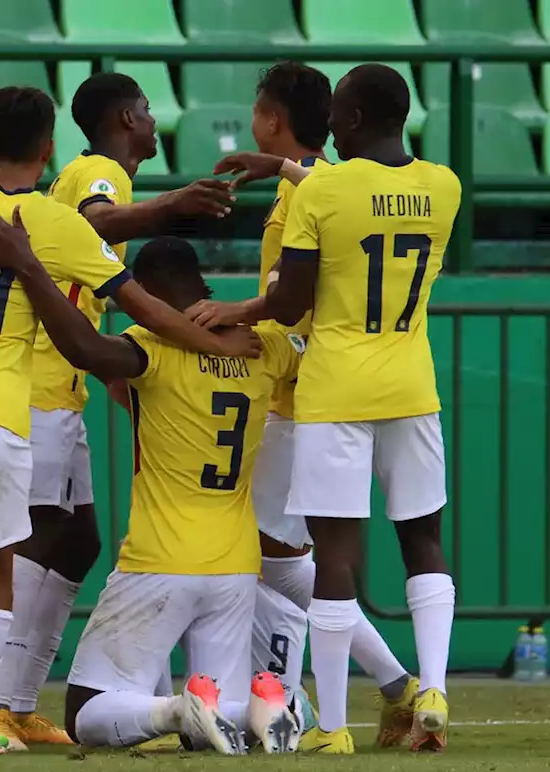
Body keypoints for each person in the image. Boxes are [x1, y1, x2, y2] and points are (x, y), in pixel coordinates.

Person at [0, 86, 261, 756]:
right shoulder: (59, 222)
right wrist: (217, 338)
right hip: (3, 408)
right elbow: (143, 305)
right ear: (48, 149)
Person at [189, 63, 460, 755]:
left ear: (357, 120)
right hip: (411, 384)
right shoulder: (444, 186)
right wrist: (283, 164)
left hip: (334, 388)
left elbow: (288, 301)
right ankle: (430, 687)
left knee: (333, 554)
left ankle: (333, 727)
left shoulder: (325, 193)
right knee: (423, 539)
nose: (330, 124)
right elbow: (367, 197)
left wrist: (240, 308)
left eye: (339, 113)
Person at [0, 227, 305, 756]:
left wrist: (29, 267)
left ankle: (176, 706)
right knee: (217, 730)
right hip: (236, 565)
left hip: (160, 558)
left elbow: (81, 346)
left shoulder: (152, 347)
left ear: (148, 290)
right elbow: (311, 337)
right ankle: (266, 708)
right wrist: (257, 309)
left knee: (86, 711)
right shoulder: (269, 348)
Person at [0, 71, 238, 750]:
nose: (155, 123)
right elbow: (97, 224)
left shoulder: (83, 172)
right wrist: (172, 205)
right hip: (39, 381)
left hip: (59, 381)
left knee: (77, 539)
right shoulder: (102, 170)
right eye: (149, 112)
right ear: (127, 117)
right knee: (38, 534)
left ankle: (17, 700)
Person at [237, 61, 422, 747]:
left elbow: (295, 299)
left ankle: (303, 691)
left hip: (301, 395)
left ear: (275, 119)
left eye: (257, 111)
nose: (252, 122)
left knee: (270, 557)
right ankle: (394, 684)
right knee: (278, 556)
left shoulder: (311, 193)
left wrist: (242, 323)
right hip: (308, 392)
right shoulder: (319, 183)